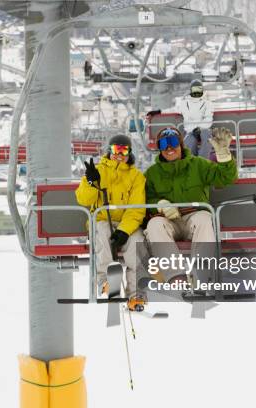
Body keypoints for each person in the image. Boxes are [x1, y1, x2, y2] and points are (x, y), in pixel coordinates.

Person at [144, 126, 238, 285]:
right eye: (163, 144)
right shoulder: (152, 173)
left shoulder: (199, 165)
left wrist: (224, 156)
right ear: (159, 149)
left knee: (204, 218)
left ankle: (202, 276)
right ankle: (176, 277)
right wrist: (159, 205)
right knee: (154, 225)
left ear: (181, 144)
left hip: (192, 218)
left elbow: (225, 178)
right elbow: (145, 199)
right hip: (169, 222)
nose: (168, 148)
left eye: (173, 142)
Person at [75, 135, 148, 311]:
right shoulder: (98, 171)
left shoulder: (136, 176)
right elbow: (83, 199)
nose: (119, 155)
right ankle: (107, 281)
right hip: (102, 219)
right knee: (103, 233)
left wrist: (124, 230)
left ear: (129, 153)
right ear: (110, 151)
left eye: (124, 151)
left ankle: (136, 294)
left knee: (136, 243)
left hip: (126, 223)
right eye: (116, 150)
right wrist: (91, 182)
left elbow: (137, 208)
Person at [180, 80, 216, 160]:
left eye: (199, 89)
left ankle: (202, 161)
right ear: (191, 90)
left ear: (202, 90)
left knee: (207, 138)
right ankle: (192, 160)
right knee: (189, 141)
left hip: (204, 129)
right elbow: (186, 119)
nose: (196, 92)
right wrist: (193, 129)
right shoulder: (184, 103)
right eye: (194, 90)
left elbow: (208, 119)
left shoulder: (207, 103)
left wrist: (199, 128)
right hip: (190, 130)